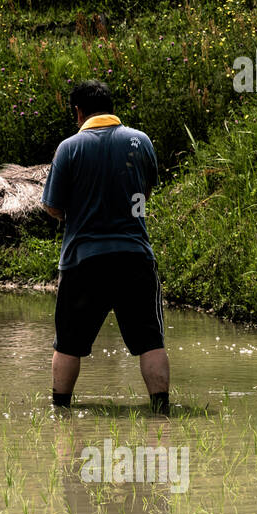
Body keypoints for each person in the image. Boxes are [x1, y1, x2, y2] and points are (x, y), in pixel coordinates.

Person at [41, 79, 170, 414]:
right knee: (150, 341)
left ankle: (61, 410)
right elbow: (146, 192)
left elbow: (53, 207)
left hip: (83, 261)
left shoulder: (69, 148)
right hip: (134, 258)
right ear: (111, 107)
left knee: (68, 341)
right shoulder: (140, 142)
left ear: (78, 111)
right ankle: (160, 410)